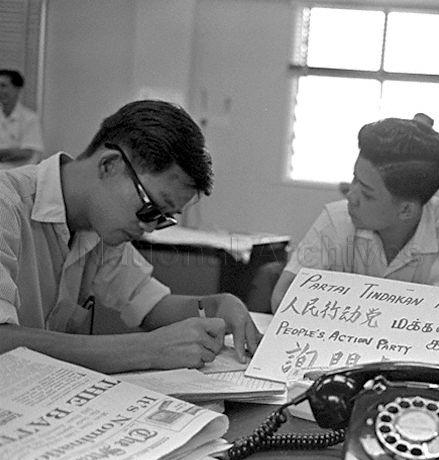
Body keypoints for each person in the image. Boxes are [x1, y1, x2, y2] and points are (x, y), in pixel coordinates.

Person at [0, 100, 260, 373]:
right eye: (150, 209)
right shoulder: (7, 204)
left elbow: (151, 306)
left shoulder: (98, 230)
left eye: (163, 219)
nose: (148, 228)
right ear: (110, 165)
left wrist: (216, 305)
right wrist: (148, 350)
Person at [271, 114, 439, 312]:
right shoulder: (337, 218)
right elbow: (283, 299)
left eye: (367, 194)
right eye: (355, 179)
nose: (351, 196)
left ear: (406, 210)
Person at [0, 69, 43, 170]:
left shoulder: (29, 118)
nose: (0, 91)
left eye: (3, 86)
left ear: (17, 89)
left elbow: (28, 152)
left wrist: (5, 153)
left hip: (18, 176)